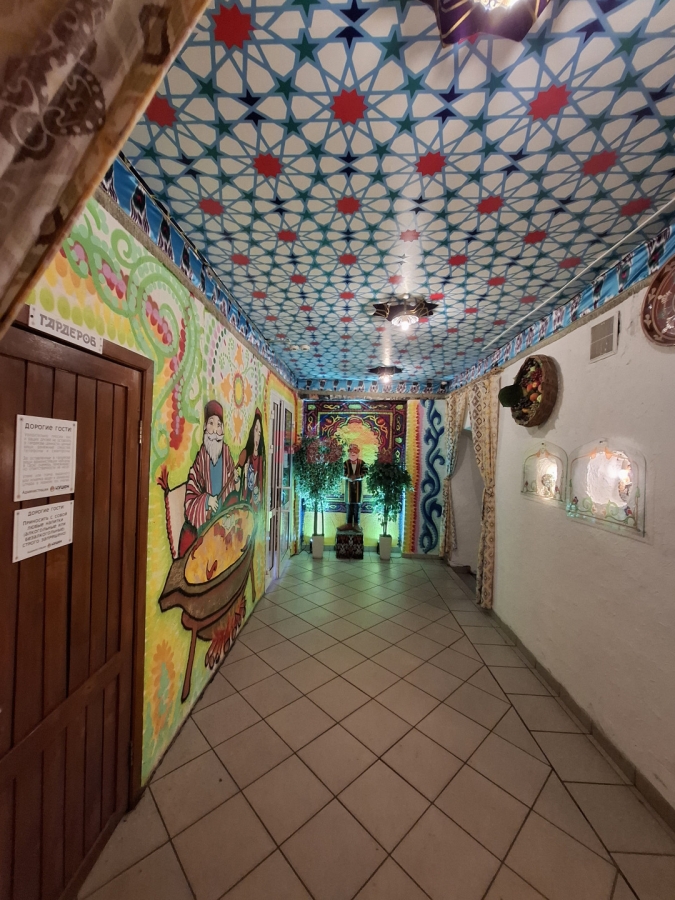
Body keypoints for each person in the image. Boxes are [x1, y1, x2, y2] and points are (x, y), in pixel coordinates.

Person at [178, 400, 239, 556]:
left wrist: (236, 480)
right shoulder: (200, 460)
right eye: (211, 423)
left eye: (219, 425)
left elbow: (234, 490)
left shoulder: (226, 454)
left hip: (225, 521)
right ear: (205, 426)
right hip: (207, 524)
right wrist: (206, 501)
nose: (215, 430)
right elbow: (191, 495)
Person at [237, 408, 265, 509]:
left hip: (254, 507)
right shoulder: (247, 456)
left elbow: (260, 491)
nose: (257, 435)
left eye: (259, 432)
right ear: (252, 431)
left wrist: (257, 494)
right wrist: (244, 477)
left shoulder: (261, 460)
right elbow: (242, 492)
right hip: (246, 505)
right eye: (256, 430)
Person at [340, 442, 367, 531]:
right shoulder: (345, 463)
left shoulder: (362, 463)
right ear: (349, 452)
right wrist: (349, 476)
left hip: (358, 490)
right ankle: (348, 524)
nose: (353, 453)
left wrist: (358, 477)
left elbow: (365, 473)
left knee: (357, 507)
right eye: (351, 451)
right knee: (349, 507)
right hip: (348, 489)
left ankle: (356, 525)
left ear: (358, 452)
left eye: (355, 451)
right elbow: (341, 473)